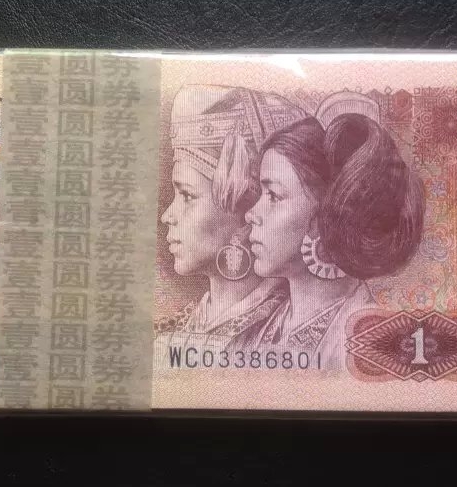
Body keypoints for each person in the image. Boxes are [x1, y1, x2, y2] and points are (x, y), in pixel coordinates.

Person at [239, 91, 425, 370]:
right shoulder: (256, 330)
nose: (250, 214)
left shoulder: (371, 343)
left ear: (326, 214)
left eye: (274, 196)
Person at [157, 84, 307, 349]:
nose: (167, 216)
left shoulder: (290, 334)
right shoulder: (172, 332)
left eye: (187, 195)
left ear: (247, 211)